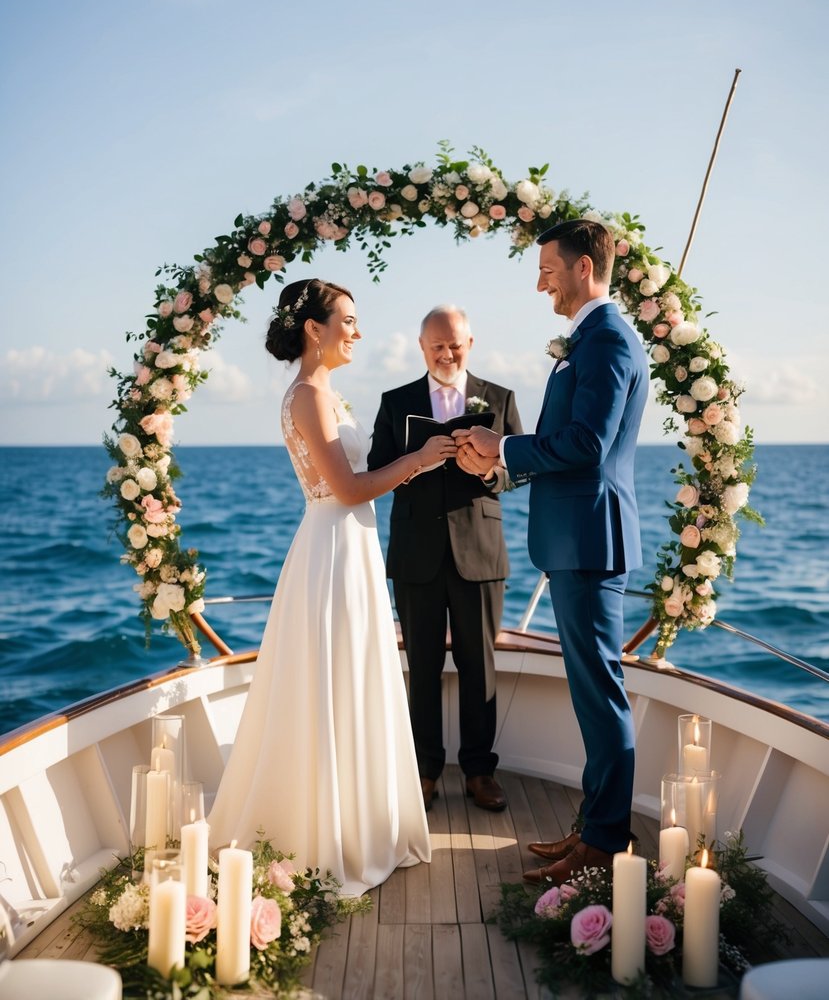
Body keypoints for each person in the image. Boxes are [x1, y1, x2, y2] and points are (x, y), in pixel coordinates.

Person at [208, 278, 457, 896]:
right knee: (333, 678)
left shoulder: (326, 393)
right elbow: (346, 489)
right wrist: (420, 460)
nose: (357, 330)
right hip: (332, 547)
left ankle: (357, 819)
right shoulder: (309, 397)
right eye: (347, 319)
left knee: (354, 676)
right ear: (313, 329)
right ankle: (327, 832)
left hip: (351, 546)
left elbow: (356, 479)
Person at [454, 219, 648, 883]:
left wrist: (504, 447)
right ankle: (591, 829)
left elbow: (587, 445)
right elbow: (569, 441)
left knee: (600, 695)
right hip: (575, 539)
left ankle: (604, 845)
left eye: (547, 269)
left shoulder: (607, 339)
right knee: (591, 695)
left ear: (583, 269)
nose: (539, 282)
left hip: (590, 539)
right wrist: (500, 457)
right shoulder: (589, 339)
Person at [367, 306, 522, 814]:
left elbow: (519, 472)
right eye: (437, 346)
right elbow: (375, 471)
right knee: (424, 666)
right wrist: (418, 461)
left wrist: (486, 471)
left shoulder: (499, 398)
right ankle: (425, 771)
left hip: (480, 550)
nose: (447, 353)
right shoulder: (396, 403)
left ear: (470, 343)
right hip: (416, 554)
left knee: (481, 667)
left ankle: (480, 771)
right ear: (421, 346)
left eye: (454, 344)